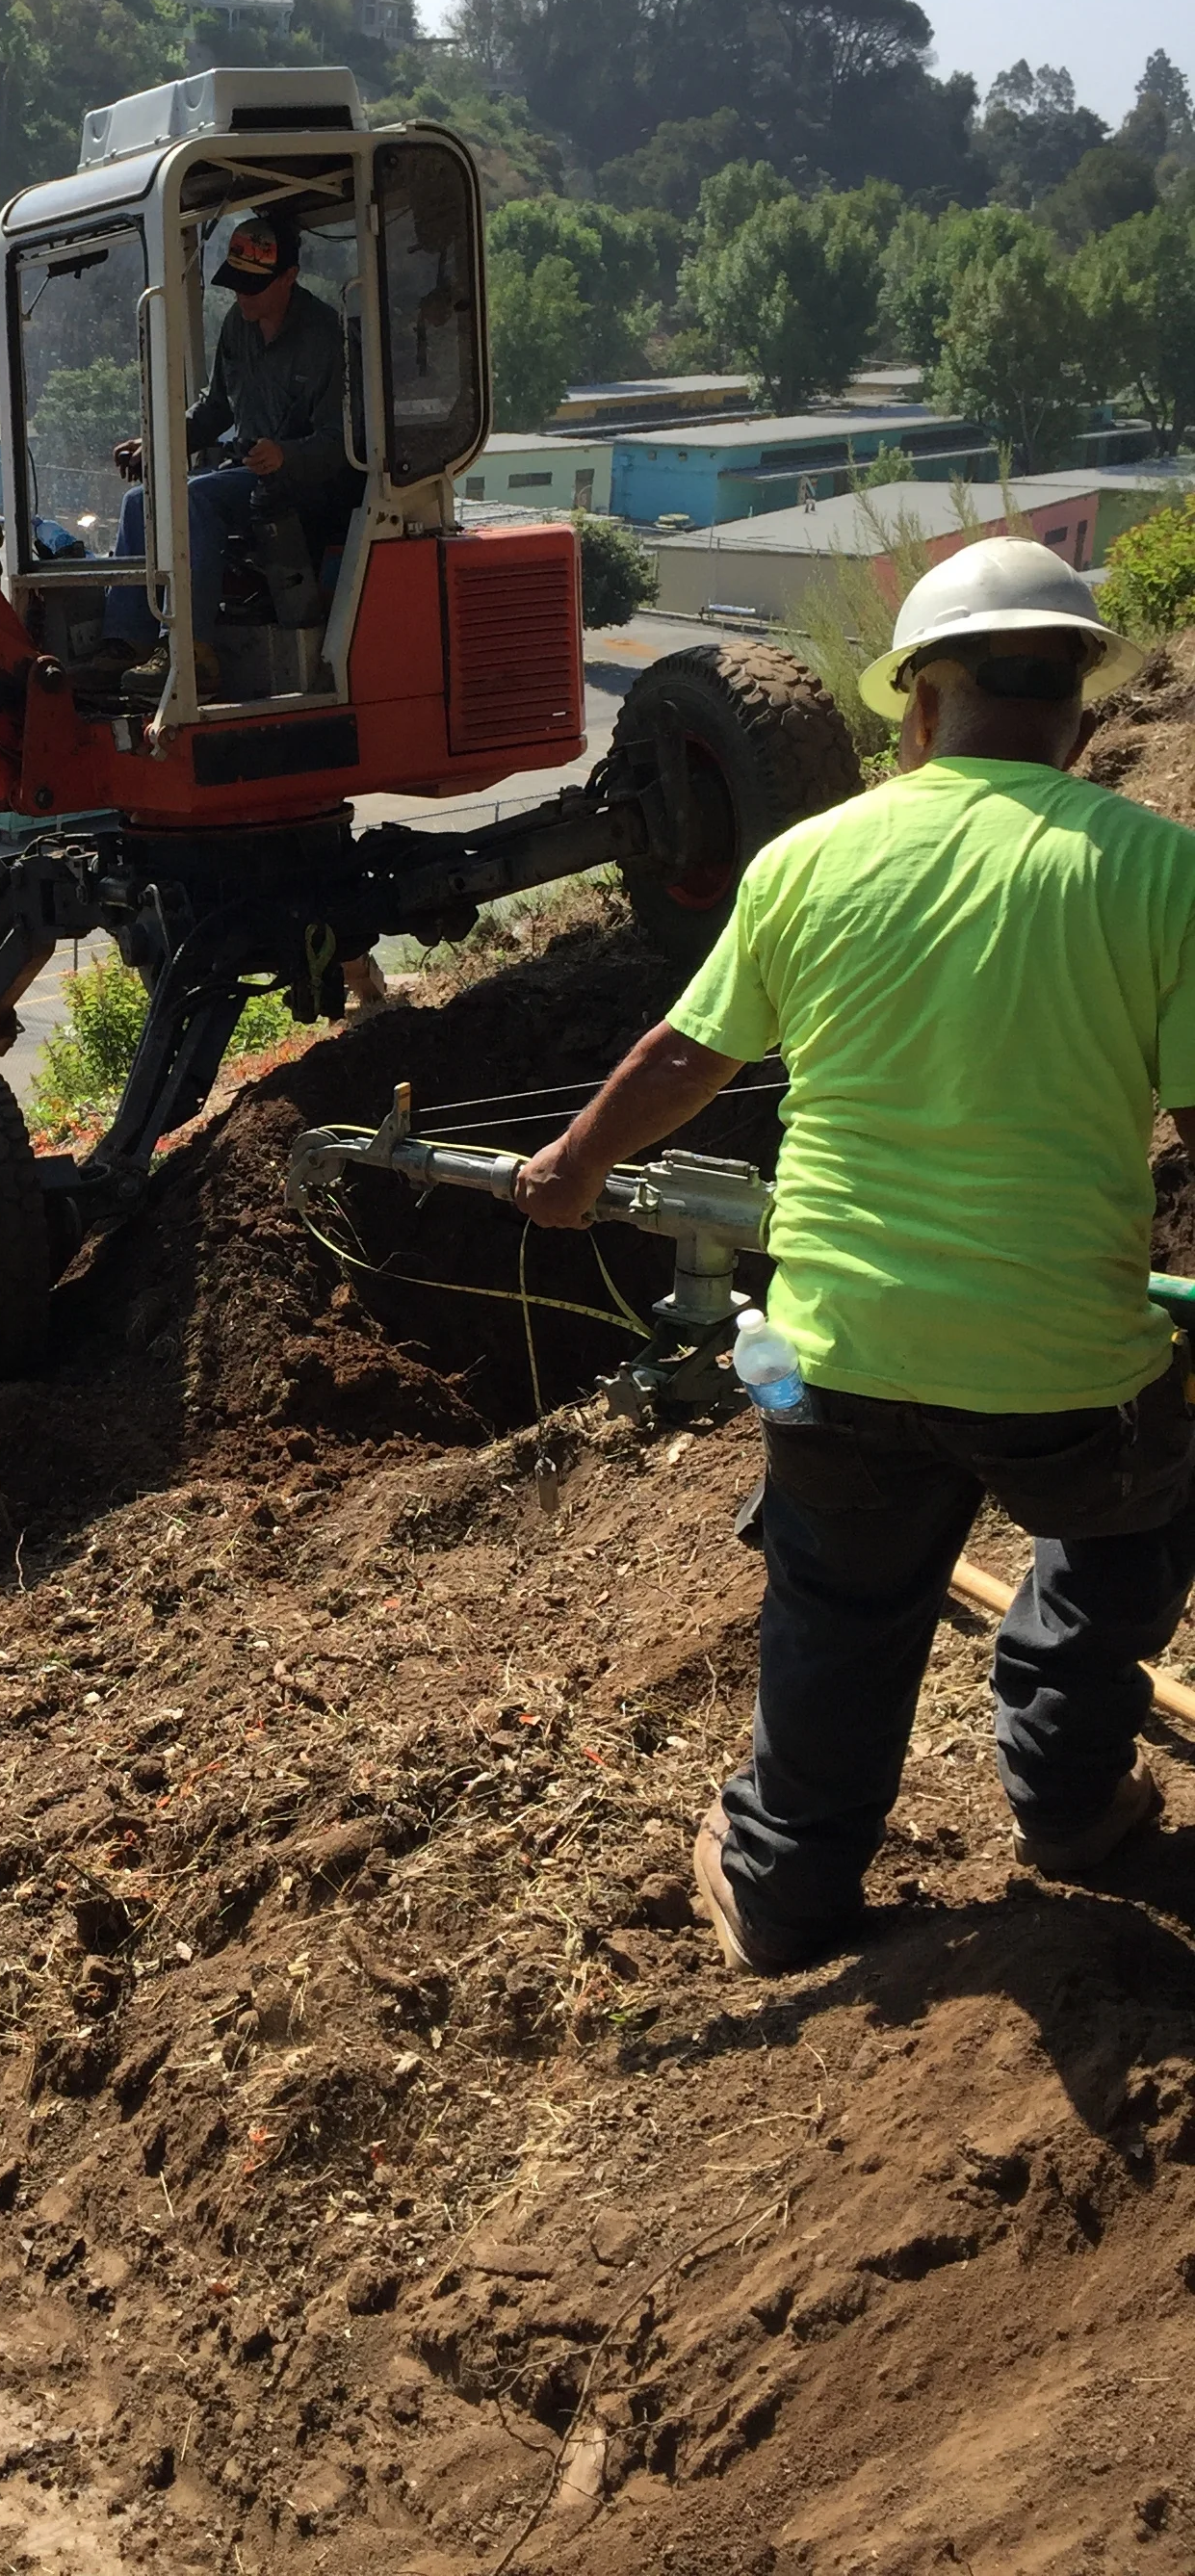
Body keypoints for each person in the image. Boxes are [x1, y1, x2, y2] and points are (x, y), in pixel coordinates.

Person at [511, 538, 1195, 1974]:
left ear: (919, 707)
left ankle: (783, 1888)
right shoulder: (1159, 871)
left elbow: (682, 1052)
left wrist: (572, 1170)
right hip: (1069, 1362)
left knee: (839, 1603)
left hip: (818, 1360)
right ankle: (1070, 1804)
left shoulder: (810, 859)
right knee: (1126, 1534)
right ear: (1073, 709)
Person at [93, 208, 349, 701]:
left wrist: (286, 455)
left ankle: (191, 654)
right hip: (247, 473)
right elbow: (214, 410)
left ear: (290, 277)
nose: (241, 295)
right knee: (138, 503)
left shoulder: (325, 337)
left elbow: (340, 442)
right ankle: (125, 641)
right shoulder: (238, 325)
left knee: (196, 499)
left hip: (303, 486)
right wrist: (159, 441)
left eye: (253, 286)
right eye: (235, 284)